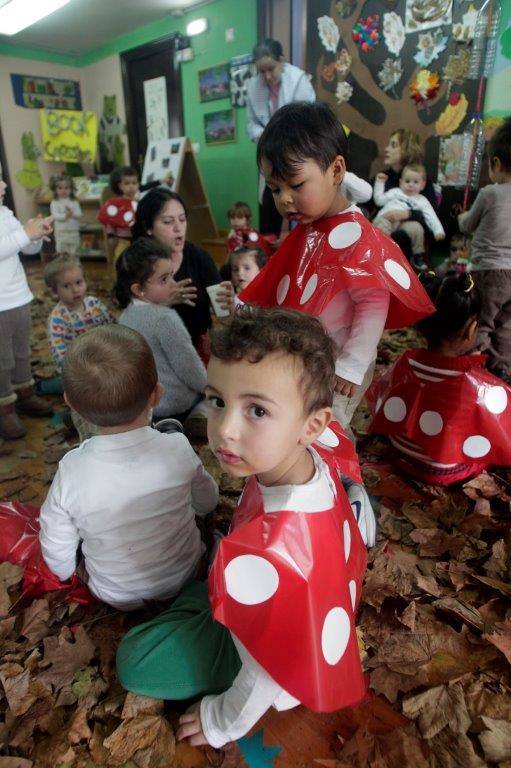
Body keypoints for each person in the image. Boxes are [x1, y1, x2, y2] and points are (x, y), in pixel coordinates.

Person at [117, 307, 374, 747]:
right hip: (279, 600)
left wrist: (220, 721)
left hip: (272, 659)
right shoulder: (299, 459)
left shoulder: (283, 547)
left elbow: (267, 674)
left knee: (134, 661)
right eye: (217, 401)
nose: (224, 430)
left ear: (312, 426)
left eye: (256, 409)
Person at [238, 102, 434, 433]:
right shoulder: (310, 228)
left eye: (296, 185)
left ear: (336, 170)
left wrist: (352, 365)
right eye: (275, 189)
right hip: (307, 356)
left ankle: (342, 480)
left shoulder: (357, 236)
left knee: (330, 429)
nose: (285, 198)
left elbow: (373, 305)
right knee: (300, 420)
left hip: (340, 363)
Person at [39, 324, 218, 610]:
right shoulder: (177, 449)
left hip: (115, 594)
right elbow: (208, 502)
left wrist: (65, 572)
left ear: (71, 404)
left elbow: (55, 543)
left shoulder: (71, 470)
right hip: (184, 577)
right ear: (157, 395)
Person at [367, 272, 511, 486]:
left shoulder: (404, 364)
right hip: (448, 472)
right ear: (472, 330)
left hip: (401, 457)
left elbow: (377, 398)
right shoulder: (480, 385)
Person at [115, 237, 208, 433]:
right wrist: (210, 388)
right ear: (139, 289)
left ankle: (156, 427)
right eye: (164, 279)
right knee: (211, 397)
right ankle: (192, 418)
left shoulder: (125, 316)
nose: (173, 284)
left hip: (143, 405)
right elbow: (189, 367)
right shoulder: (166, 319)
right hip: (175, 402)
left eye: (171, 276)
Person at [132, 188, 232, 361]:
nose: (178, 228)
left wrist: (230, 305)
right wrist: (163, 304)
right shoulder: (134, 263)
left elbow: (225, 317)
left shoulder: (199, 258)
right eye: (168, 221)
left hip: (197, 353)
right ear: (148, 227)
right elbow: (129, 328)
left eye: (182, 219)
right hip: (153, 355)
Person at [0, 175, 54, 440]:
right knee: (2, 359)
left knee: (22, 352)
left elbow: (26, 249)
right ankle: (5, 407)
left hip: (18, 296)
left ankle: (25, 393)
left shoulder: (5, 213)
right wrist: (25, 234)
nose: (3, 186)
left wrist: (37, 236)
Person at [458, 118, 511, 380]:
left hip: (489, 271)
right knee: (506, 326)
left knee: (481, 321)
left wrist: (461, 218)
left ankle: (474, 370)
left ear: (496, 163)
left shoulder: (490, 193)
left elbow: (468, 225)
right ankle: (500, 371)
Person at [246, 39, 316, 237]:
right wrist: (267, 136)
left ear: (282, 61)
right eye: (261, 72)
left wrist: (278, 136)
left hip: (295, 155)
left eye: (271, 69)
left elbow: (307, 120)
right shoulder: (253, 87)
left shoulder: (299, 80)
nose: (267, 76)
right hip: (269, 156)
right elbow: (251, 125)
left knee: (303, 210)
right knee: (270, 212)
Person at [375, 129, 440, 270]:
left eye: (393, 145)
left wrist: (407, 214)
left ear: (407, 149)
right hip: (381, 233)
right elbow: (368, 205)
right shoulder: (382, 178)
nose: (386, 149)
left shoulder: (423, 182)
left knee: (404, 234)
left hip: (407, 243)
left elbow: (430, 217)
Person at [44, 254, 115, 374]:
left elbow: (113, 326)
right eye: (66, 286)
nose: (75, 290)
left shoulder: (95, 304)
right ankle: (46, 386)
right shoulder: (57, 318)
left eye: (79, 282)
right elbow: (59, 353)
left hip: (100, 356)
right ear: (55, 292)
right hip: (75, 367)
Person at [373, 164, 445, 270]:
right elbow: (379, 200)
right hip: (386, 219)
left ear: (422, 185)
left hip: (404, 223)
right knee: (380, 225)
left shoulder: (422, 200)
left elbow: (431, 216)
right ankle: (382, 253)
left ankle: (417, 256)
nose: (411, 185)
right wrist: (380, 183)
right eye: (407, 181)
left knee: (417, 228)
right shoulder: (395, 192)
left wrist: (438, 231)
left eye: (415, 182)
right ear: (401, 182)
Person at [49, 174, 82, 255]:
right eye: (60, 188)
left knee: (74, 252)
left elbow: (79, 214)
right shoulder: (54, 202)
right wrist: (65, 215)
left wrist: (72, 213)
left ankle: (74, 265)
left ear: (71, 189)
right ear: (55, 190)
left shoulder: (74, 201)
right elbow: (55, 216)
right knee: (62, 251)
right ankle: (63, 266)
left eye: (66, 188)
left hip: (73, 231)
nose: (63, 191)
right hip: (61, 232)